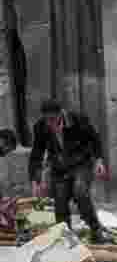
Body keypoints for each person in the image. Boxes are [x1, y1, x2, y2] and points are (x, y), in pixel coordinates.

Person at [28, 99, 112, 243]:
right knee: (60, 201)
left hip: (81, 163)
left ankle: (95, 229)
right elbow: (37, 153)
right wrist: (36, 180)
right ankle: (65, 237)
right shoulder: (41, 127)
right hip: (59, 168)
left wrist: (99, 160)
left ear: (60, 114)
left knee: (80, 191)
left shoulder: (78, 120)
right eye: (47, 119)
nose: (50, 123)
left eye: (53, 119)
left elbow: (95, 139)